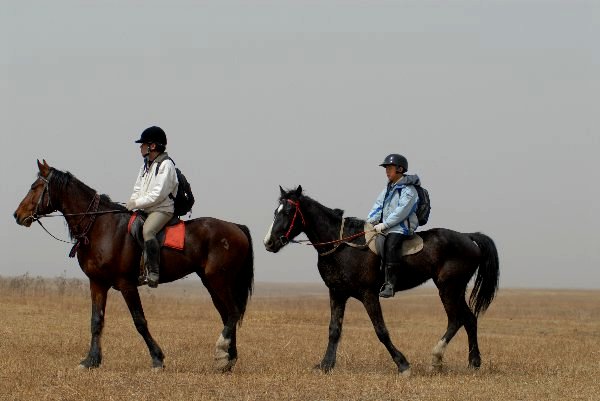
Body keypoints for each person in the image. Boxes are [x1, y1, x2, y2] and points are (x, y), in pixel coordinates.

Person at [126, 126, 178, 288]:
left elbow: (158, 195)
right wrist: (132, 202)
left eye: (143, 144)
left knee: (148, 230)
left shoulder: (166, 165)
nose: (140, 147)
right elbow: (137, 188)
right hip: (147, 208)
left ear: (153, 146)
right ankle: (138, 269)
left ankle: (153, 272)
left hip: (162, 210)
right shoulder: (145, 165)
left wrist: (136, 203)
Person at [366, 154, 421, 298]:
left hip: (401, 227)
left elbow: (401, 212)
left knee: (390, 245)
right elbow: (378, 206)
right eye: (386, 168)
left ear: (400, 169)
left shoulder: (409, 190)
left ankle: (390, 284)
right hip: (386, 227)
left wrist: (384, 224)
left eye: (389, 168)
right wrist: (370, 222)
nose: (386, 171)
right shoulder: (388, 189)